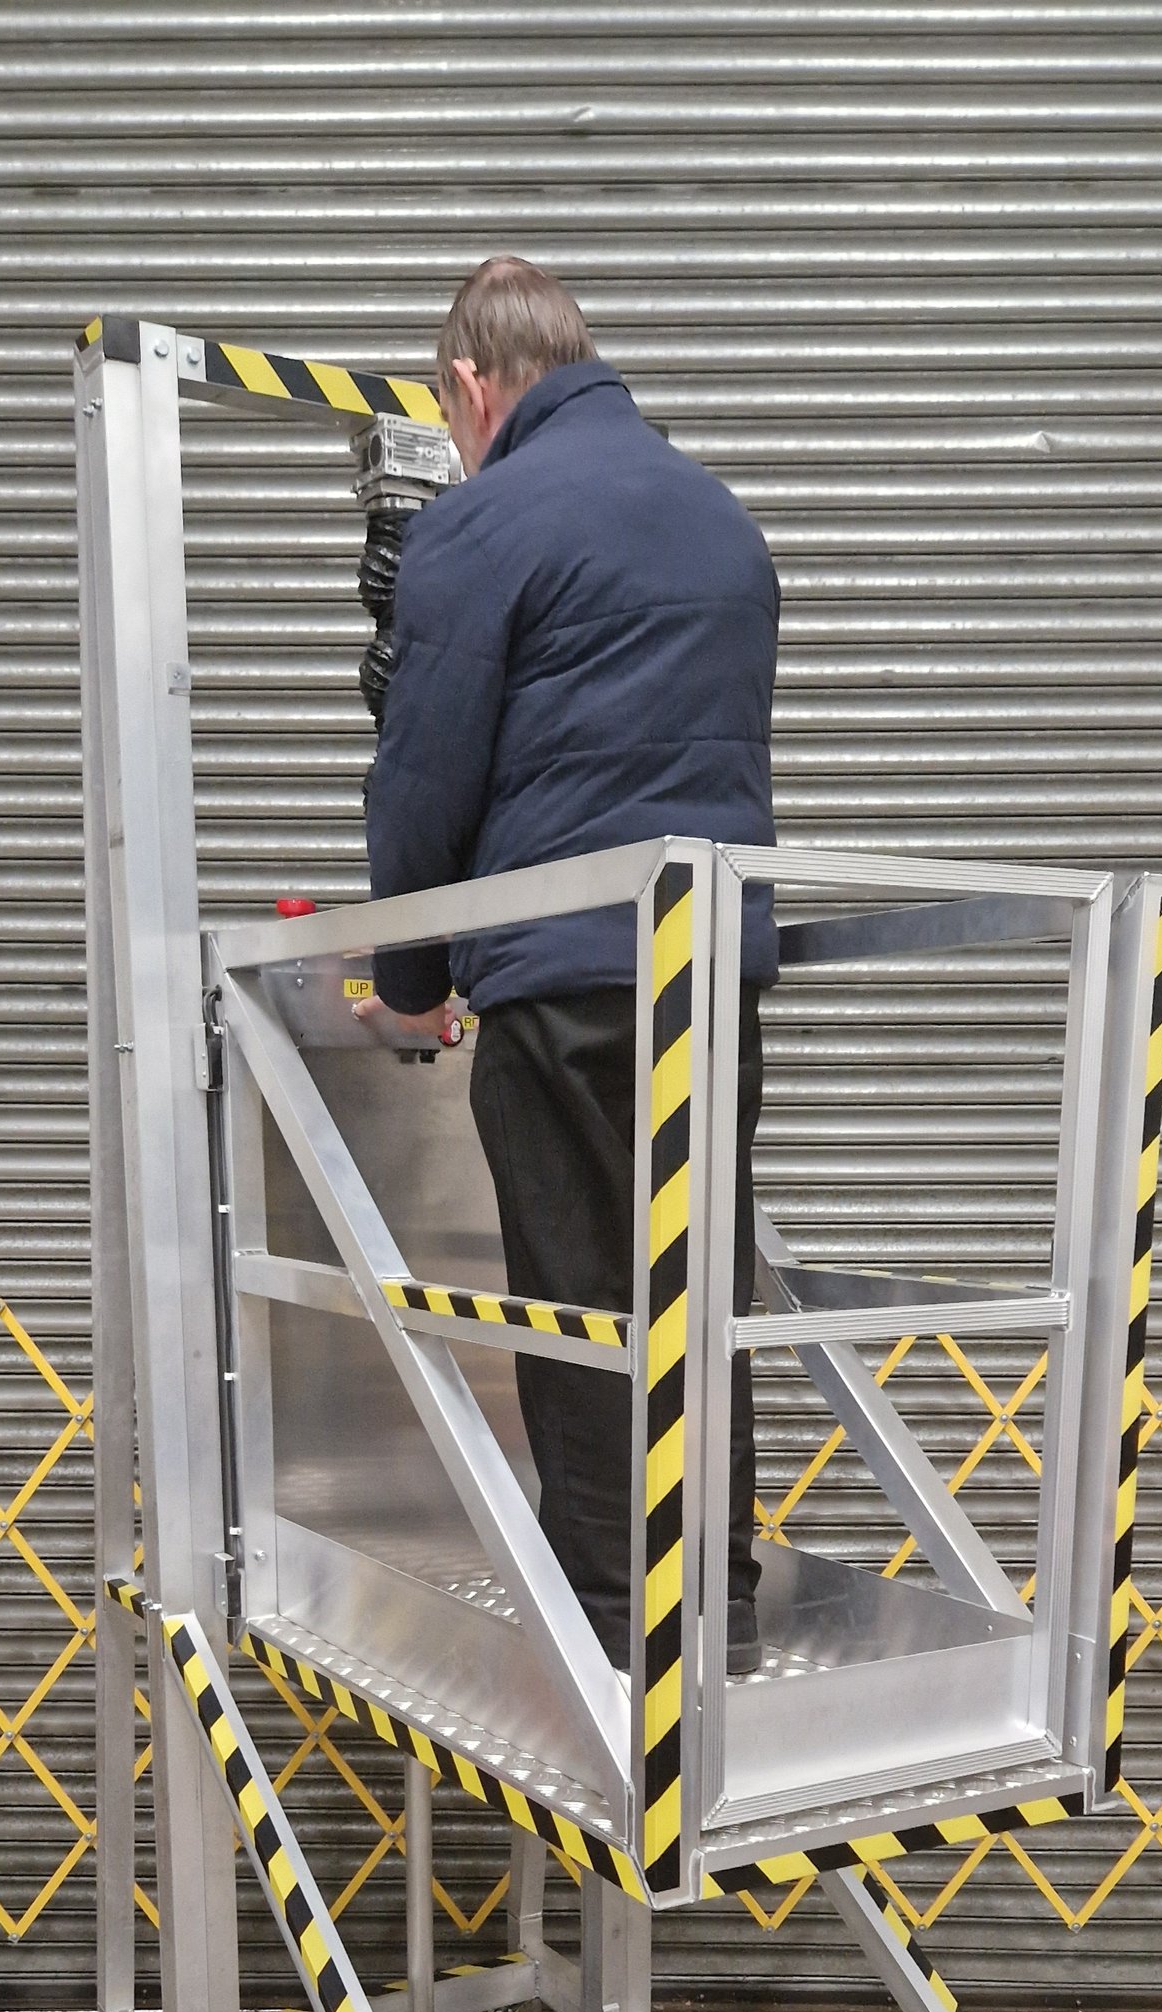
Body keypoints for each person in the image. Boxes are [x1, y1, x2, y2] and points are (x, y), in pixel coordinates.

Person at [356, 255, 779, 1677]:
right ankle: (713, 1587)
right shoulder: (719, 516)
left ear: (472, 387)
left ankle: (618, 1629)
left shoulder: (480, 526)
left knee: (583, 1302)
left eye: (446, 412)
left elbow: (421, 785)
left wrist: (412, 985)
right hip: (710, 970)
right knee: (694, 1286)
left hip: (561, 984)